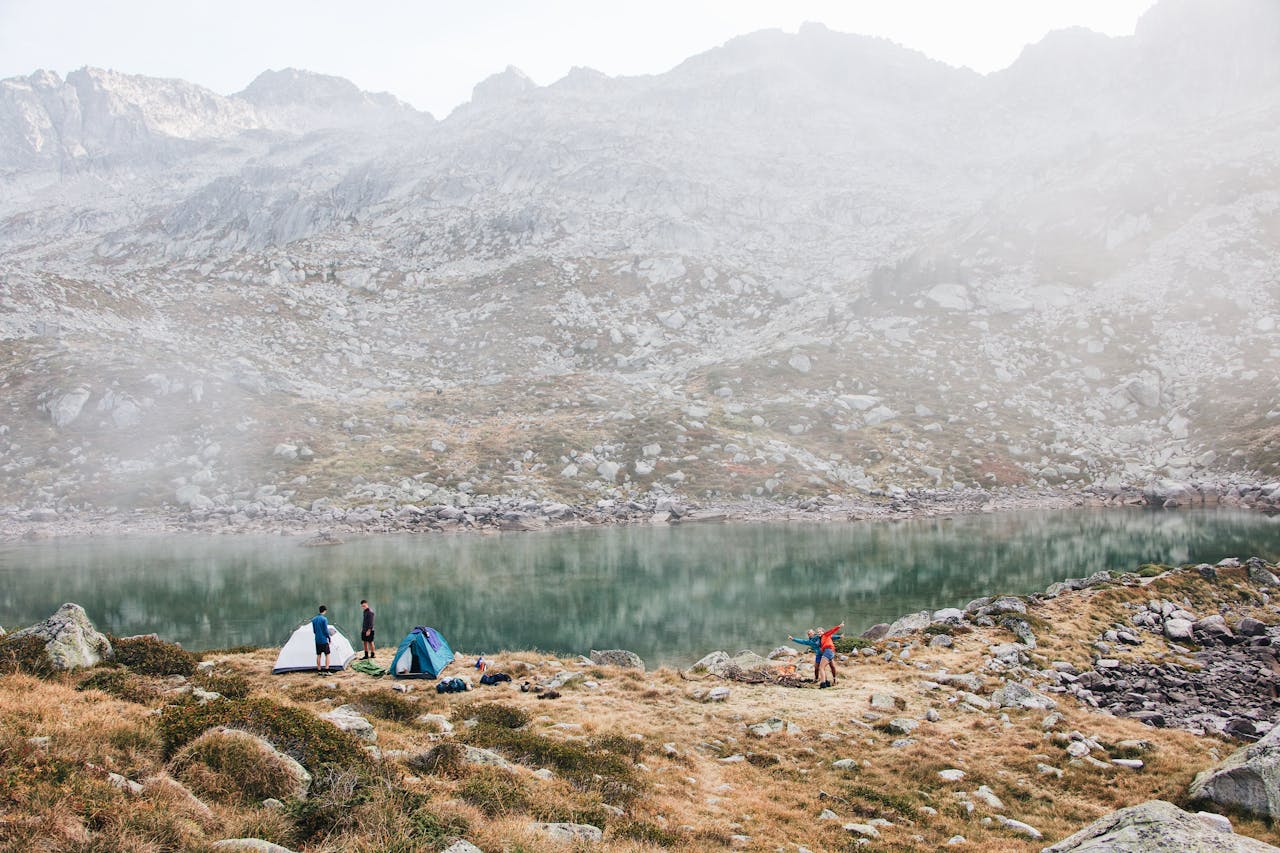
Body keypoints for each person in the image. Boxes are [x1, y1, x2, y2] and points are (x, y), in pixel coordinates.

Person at [312, 605, 331, 675]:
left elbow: (314, 631)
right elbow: (326, 631)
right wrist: (329, 637)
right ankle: (327, 670)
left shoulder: (314, 619)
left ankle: (319, 670)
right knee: (327, 654)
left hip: (317, 640)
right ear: (325, 611)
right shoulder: (324, 619)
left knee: (318, 655)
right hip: (323, 640)